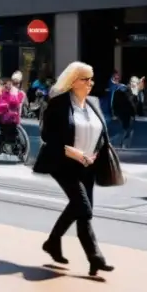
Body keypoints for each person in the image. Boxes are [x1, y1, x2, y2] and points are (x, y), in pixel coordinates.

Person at [32, 61, 115, 277]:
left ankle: (91, 258)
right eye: (86, 79)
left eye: (91, 79)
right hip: (63, 163)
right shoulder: (58, 104)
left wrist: (95, 153)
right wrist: (75, 153)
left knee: (82, 211)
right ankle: (60, 243)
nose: (90, 83)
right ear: (73, 81)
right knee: (84, 208)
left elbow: (101, 133)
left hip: (88, 164)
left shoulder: (93, 102)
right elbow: (47, 137)